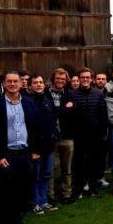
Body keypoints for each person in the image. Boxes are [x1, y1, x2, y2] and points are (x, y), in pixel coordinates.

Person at [0, 71, 41, 224]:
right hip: (6, 155)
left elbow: (34, 127)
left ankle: (17, 223)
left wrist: (35, 150)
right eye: (9, 81)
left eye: (15, 81)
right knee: (3, 192)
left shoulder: (29, 103)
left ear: (20, 83)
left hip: (24, 154)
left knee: (21, 191)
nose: (12, 84)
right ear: (3, 84)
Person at [69, 68, 108, 200]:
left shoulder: (98, 94)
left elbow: (103, 115)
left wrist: (102, 131)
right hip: (79, 135)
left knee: (94, 163)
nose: (85, 79)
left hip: (95, 135)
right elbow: (69, 115)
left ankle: (93, 189)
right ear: (79, 79)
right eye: (82, 77)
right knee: (78, 164)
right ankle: (78, 190)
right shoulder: (72, 94)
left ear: (91, 79)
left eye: (87, 77)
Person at [26, 74, 58, 214]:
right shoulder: (27, 101)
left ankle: (44, 201)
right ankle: (35, 202)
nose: (39, 84)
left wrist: (55, 135)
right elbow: (29, 126)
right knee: (35, 176)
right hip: (35, 147)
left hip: (49, 145)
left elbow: (51, 120)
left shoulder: (47, 99)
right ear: (30, 86)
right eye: (35, 83)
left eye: (41, 82)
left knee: (46, 174)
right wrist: (32, 149)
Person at [47, 68, 75, 204]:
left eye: (63, 79)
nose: (60, 81)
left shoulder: (70, 94)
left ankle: (66, 194)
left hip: (67, 136)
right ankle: (50, 196)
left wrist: (56, 111)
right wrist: (64, 109)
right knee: (50, 169)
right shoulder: (45, 94)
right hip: (50, 136)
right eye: (58, 78)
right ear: (53, 79)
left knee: (67, 169)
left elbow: (73, 113)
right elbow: (48, 112)